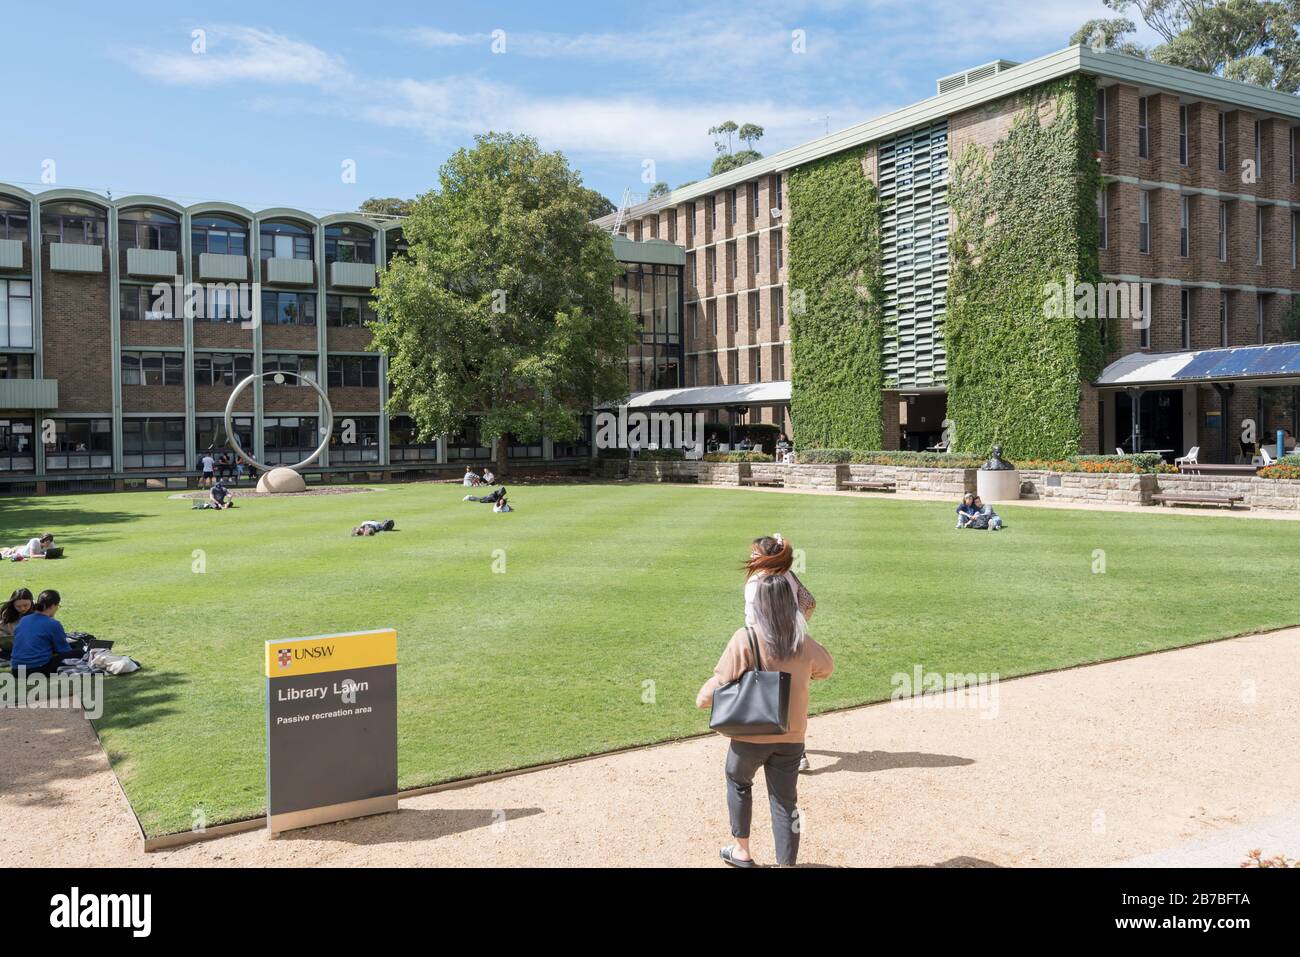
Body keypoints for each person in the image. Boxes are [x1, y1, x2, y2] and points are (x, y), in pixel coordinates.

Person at [696, 574, 834, 868]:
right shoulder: (802, 642)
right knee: (785, 802)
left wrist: (702, 698)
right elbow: (827, 668)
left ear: (759, 604)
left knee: (738, 781)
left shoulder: (745, 637)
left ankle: (742, 851)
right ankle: (786, 865)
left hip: (750, 735)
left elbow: (719, 681)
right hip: (791, 736)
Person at [743, 535, 817, 771]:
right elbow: (809, 603)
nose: (751, 556)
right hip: (794, 646)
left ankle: (760, 747)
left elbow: (754, 621)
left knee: (762, 696)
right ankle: (798, 751)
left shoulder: (756, 583)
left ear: (767, 556)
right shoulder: (788, 576)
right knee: (796, 698)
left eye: (755, 553)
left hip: (764, 647)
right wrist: (797, 629)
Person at [10, 589, 73, 677]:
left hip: (16, 670)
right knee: (78, 652)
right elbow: (63, 650)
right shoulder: (53, 623)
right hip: (36, 670)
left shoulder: (24, 619)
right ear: (53, 606)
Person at [0, 587, 34, 659]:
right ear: (13, 605)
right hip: (13, 649)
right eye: (18, 606)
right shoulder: (7, 614)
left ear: (31, 601)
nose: (22, 608)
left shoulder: (38, 612)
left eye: (25, 605)